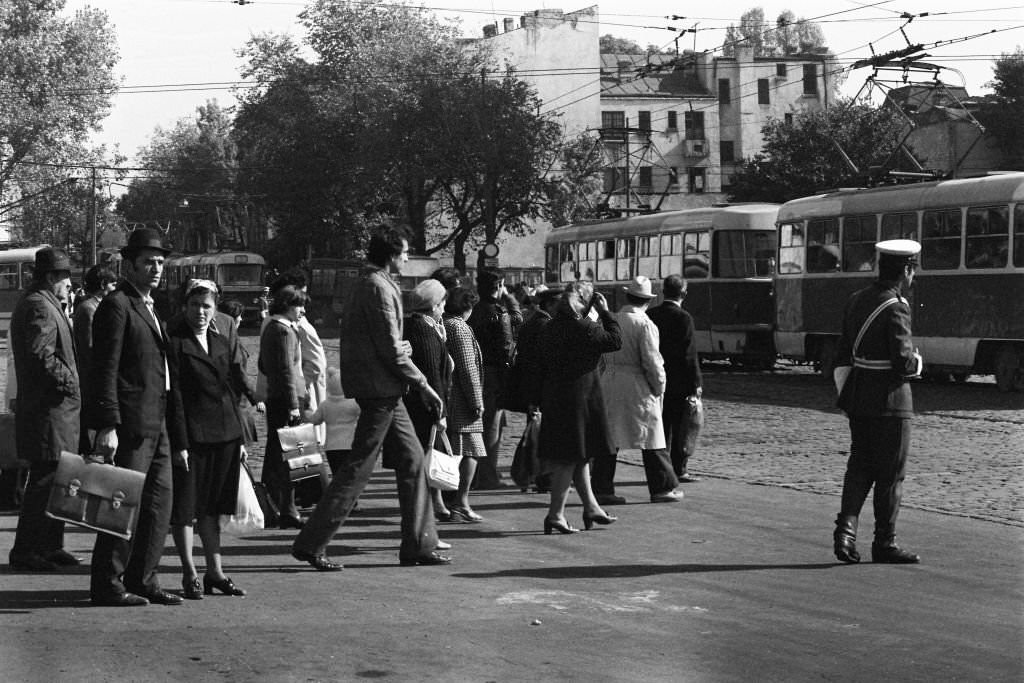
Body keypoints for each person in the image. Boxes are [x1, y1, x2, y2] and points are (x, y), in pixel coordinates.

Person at [290, 224, 449, 570]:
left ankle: (419, 543)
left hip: (382, 388)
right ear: (391, 255)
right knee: (358, 468)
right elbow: (389, 347)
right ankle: (312, 542)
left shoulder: (369, 284)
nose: (406, 259)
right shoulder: (378, 287)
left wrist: (401, 353)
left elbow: (381, 341)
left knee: (412, 462)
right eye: (404, 253)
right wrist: (423, 384)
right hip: (381, 391)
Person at [88, 227, 182, 607]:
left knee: (160, 503)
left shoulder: (150, 306)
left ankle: (143, 578)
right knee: (122, 502)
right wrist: (107, 425)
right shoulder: (117, 305)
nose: (156, 268)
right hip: (130, 423)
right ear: (130, 265)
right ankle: (107, 584)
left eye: (160, 262)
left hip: (157, 421)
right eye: (149, 262)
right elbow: (104, 369)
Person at [832, 239, 924, 565]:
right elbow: (902, 361)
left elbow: (843, 353)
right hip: (891, 400)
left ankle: (845, 533)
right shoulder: (897, 306)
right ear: (906, 270)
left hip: (859, 397)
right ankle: (885, 542)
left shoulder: (856, 300)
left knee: (859, 465)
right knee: (891, 473)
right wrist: (917, 362)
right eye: (913, 270)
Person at [166, 279, 249, 599]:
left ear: (215, 310)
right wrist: (180, 443)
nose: (200, 312)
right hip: (193, 436)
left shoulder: (220, 340)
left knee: (213, 509)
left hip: (225, 433)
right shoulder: (175, 343)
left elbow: (231, 388)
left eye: (206, 306)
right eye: (194, 305)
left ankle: (216, 572)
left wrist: (240, 437)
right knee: (186, 508)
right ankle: (190, 573)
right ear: (184, 307)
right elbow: (174, 397)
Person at [7, 247, 82, 572]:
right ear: (52, 278)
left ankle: (50, 546)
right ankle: (27, 550)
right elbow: (42, 356)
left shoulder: (43, 301)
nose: (70, 284)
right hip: (48, 411)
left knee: (56, 479)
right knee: (45, 481)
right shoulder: (39, 305)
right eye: (66, 277)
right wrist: (71, 383)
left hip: (53, 411)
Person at [536, 281, 621, 534]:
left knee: (579, 455)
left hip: (556, 396)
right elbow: (615, 341)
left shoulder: (549, 327)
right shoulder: (586, 328)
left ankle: (591, 507)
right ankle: (555, 514)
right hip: (580, 398)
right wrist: (606, 313)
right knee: (568, 459)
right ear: (585, 302)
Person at [593, 276, 681, 505]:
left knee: (609, 437)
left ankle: (602, 487)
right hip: (636, 383)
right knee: (652, 436)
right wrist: (659, 386)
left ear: (627, 296)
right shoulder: (644, 324)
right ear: (648, 301)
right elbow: (652, 361)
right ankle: (662, 486)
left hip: (610, 380)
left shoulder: (611, 319)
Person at [403, 279, 455, 522]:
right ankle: (433, 502)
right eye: (442, 303)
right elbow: (432, 373)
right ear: (434, 305)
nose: (444, 308)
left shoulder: (423, 326)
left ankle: (433, 501)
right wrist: (440, 411)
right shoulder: (423, 329)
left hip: (419, 403)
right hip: (426, 405)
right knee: (430, 452)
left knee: (427, 452)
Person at [258, 285, 309, 530]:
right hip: (286, 400)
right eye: (300, 305)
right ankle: (287, 508)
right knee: (291, 456)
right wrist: (293, 405)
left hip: (279, 398)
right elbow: (286, 370)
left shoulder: (274, 327)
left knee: (281, 454)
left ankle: (281, 506)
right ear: (288, 305)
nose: (303, 310)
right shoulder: (283, 330)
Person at [466, 267, 522, 489]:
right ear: (499, 286)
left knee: (478, 424)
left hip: (475, 371)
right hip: (494, 375)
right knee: (492, 426)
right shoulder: (500, 312)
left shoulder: (474, 310)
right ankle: (488, 476)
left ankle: (477, 474)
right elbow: (507, 346)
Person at [646, 274, 703, 483]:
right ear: (684, 294)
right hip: (679, 382)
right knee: (681, 427)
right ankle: (679, 469)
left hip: (654, 379)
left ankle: (661, 469)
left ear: (663, 292)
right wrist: (696, 383)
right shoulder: (684, 318)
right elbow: (689, 354)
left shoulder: (651, 315)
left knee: (661, 427)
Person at [442, 285, 486, 523]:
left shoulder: (444, 323)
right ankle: (461, 502)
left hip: (450, 398)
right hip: (461, 400)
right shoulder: (459, 328)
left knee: (453, 451)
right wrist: (476, 400)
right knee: (471, 450)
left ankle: (447, 502)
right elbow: (468, 367)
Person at [511, 287, 562, 493]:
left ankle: (536, 476)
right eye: (559, 303)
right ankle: (543, 478)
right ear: (549, 304)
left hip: (534, 387)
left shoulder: (533, 322)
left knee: (537, 433)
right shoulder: (545, 325)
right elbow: (541, 362)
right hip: (542, 388)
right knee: (544, 435)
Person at [270, 269, 327, 444]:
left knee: (291, 448)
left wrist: (300, 386)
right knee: (292, 449)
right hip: (291, 393)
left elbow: (316, 362)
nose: (303, 309)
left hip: (294, 392)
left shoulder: (291, 324)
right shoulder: (284, 326)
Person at [308, 367, 360, 476]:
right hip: (350, 445)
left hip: (331, 447)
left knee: (336, 474)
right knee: (349, 475)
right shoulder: (353, 403)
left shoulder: (325, 405)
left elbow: (314, 420)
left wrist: (306, 412)